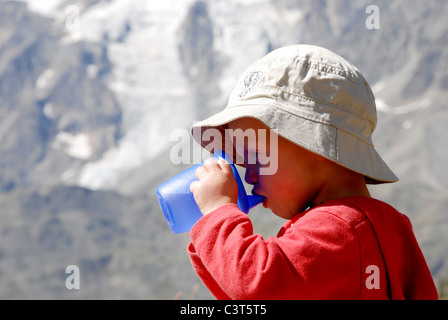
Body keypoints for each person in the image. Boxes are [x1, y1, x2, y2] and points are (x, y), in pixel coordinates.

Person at [187, 44, 438, 300]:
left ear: (314, 143)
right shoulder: (391, 226)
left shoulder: (336, 228)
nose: (249, 176)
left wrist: (218, 214)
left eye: (256, 158)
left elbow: (254, 286)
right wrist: (209, 237)